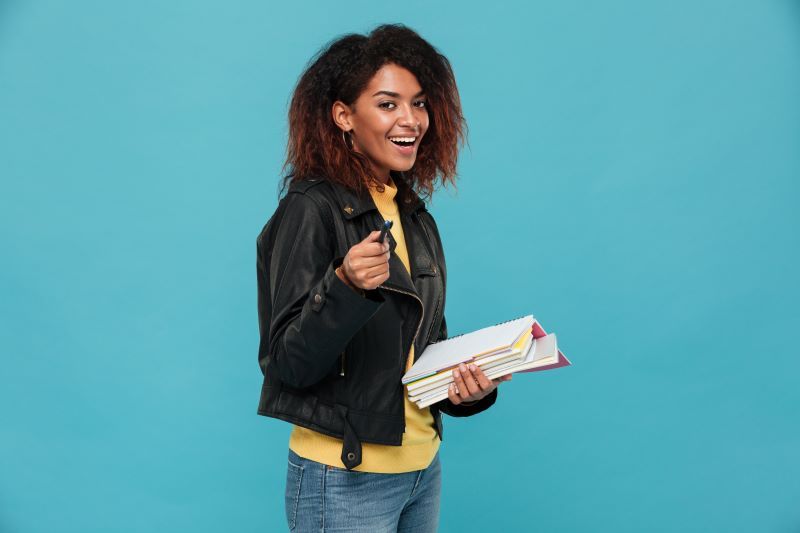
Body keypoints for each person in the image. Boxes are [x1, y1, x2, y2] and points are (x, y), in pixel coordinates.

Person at [256, 24, 512, 532]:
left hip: (421, 469)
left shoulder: (413, 213)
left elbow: (420, 346)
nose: (411, 120)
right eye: (389, 104)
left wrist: (469, 387)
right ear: (344, 116)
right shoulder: (311, 209)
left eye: (419, 104)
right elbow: (287, 364)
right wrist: (346, 288)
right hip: (344, 476)